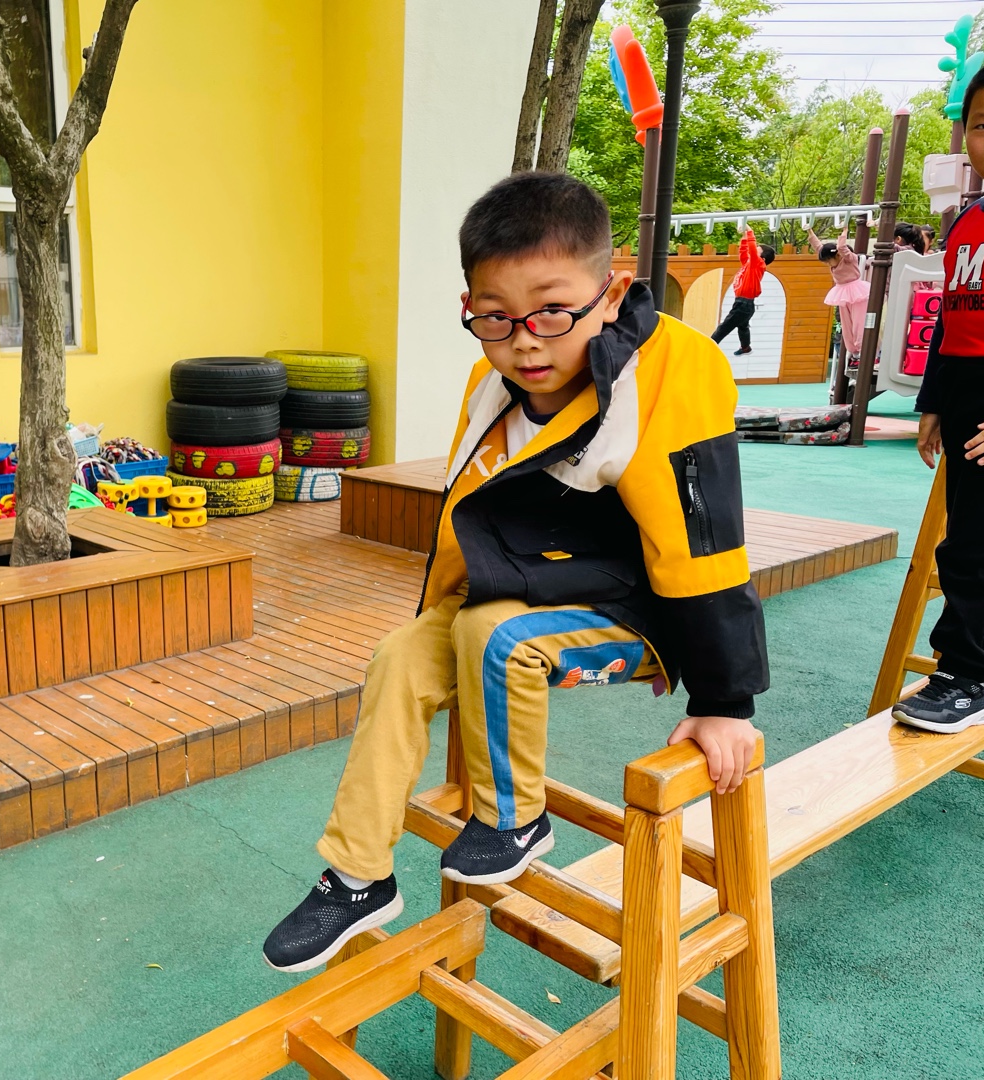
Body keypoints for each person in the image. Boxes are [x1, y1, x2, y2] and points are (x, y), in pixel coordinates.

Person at [261, 173, 768, 973]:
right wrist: (435, 617)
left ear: (612, 293)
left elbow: (701, 538)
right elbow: (465, 511)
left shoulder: (671, 369)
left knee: (493, 636)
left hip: (642, 610)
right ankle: (358, 875)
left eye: (551, 311)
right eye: (494, 317)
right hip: (535, 583)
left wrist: (724, 699)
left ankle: (516, 818)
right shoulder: (491, 383)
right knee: (402, 654)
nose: (525, 342)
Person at [899, 57, 984, 733]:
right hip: (967, 397)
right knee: (963, 539)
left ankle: (972, 674)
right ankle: (962, 663)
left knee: (981, 545)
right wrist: (933, 402)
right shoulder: (967, 221)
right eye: (982, 125)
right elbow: (949, 324)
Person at [808, 224, 869, 362]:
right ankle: (853, 350)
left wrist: (844, 231)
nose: (828, 264)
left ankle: (861, 349)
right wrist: (810, 231)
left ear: (837, 255)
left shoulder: (849, 259)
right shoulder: (832, 258)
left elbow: (841, 247)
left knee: (858, 322)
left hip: (857, 291)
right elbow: (818, 247)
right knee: (846, 323)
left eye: (828, 261)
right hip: (842, 292)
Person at [711, 228, 776, 356]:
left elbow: (751, 250)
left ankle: (710, 344)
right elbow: (744, 252)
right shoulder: (749, 264)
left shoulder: (758, 264)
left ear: (762, 258)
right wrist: (744, 236)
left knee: (724, 327)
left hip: (743, 304)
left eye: (757, 250)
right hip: (745, 304)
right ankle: (745, 347)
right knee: (743, 326)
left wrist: (750, 232)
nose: (754, 250)